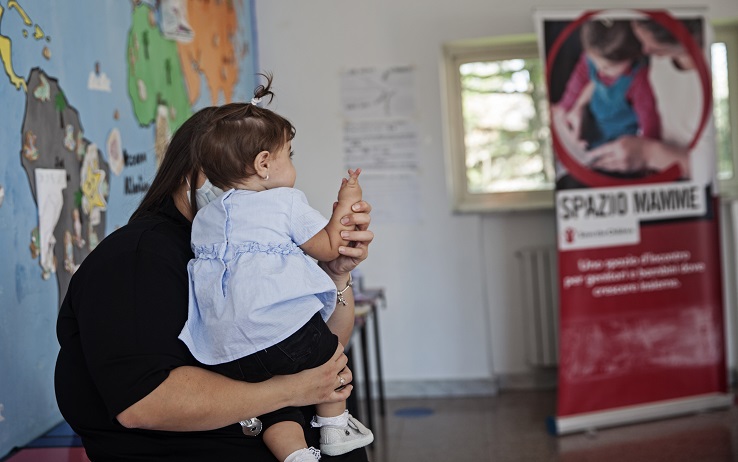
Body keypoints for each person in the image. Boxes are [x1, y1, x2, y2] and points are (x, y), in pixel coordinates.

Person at [54, 89, 374, 460]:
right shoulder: (136, 257)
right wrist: (293, 392)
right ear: (200, 172)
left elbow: (324, 349)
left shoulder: (255, 245)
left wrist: (336, 273)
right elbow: (145, 401)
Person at [178, 77, 373, 462]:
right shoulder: (285, 203)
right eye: (290, 154)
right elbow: (329, 246)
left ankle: (296, 455)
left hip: (226, 350)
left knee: (274, 402)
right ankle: (334, 429)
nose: (292, 163)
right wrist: (345, 203)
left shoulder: (206, 217)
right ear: (264, 164)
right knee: (329, 354)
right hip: (281, 331)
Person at [582, 17, 709, 181]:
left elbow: (711, 169)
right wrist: (579, 105)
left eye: (652, 45)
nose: (644, 51)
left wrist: (647, 153)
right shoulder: (660, 55)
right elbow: (604, 77)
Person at [556, 19, 660, 153]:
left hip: (619, 140)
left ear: (631, 57)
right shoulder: (593, 56)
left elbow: (649, 120)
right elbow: (577, 81)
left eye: (608, 67)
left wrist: (645, 153)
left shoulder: (639, 79)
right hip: (592, 126)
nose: (599, 71)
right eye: (594, 63)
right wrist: (565, 107)